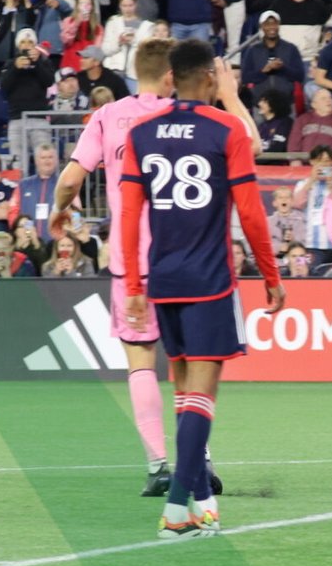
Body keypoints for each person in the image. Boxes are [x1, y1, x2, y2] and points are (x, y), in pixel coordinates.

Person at [119, 38, 284, 539]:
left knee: (185, 393)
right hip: (210, 280)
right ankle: (175, 511)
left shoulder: (141, 132)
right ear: (211, 78)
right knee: (202, 395)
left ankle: (204, 504)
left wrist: (134, 284)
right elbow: (251, 214)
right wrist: (271, 276)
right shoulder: (227, 129)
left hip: (163, 279)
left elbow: (129, 214)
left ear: (171, 77)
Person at [54, 39, 189, 497]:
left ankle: (158, 465)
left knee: (141, 363)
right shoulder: (189, 115)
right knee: (190, 364)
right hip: (189, 256)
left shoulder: (108, 116)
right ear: (171, 75)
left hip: (133, 259)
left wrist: (59, 209)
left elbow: (71, 180)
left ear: (136, 73)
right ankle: (200, 459)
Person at [291, 145, 332, 266]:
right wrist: (311, 181)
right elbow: (296, 204)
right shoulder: (303, 183)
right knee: (304, 268)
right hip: (309, 245)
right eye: (319, 161)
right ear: (312, 162)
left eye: (327, 161)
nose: (323, 165)